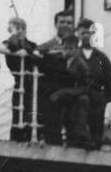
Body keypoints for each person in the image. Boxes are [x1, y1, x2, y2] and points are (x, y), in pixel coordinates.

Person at [36, 11, 89, 148]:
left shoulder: (79, 49)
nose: (66, 25)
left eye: (69, 22)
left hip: (71, 94)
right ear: (55, 24)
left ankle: (76, 140)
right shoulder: (45, 47)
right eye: (62, 22)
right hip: (51, 93)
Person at [76, 18, 111, 149]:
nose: (86, 35)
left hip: (97, 101)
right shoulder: (74, 55)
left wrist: (104, 100)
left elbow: (110, 84)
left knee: (96, 135)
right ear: (78, 34)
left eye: (89, 32)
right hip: (78, 99)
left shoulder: (102, 58)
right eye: (83, 33)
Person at [4, 17, 39, 142]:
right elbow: (10, 62)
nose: (18, 31)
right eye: (14, 29)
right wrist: (15, 39)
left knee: (31, 111)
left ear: (25, 30)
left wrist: (27, 51)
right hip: (20, 81)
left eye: (20, 28)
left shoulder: (32, 45)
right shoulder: (9, 43)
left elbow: (37, 56)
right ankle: (16, 138)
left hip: (32, 82)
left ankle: (29, 136)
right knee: (17, 109)